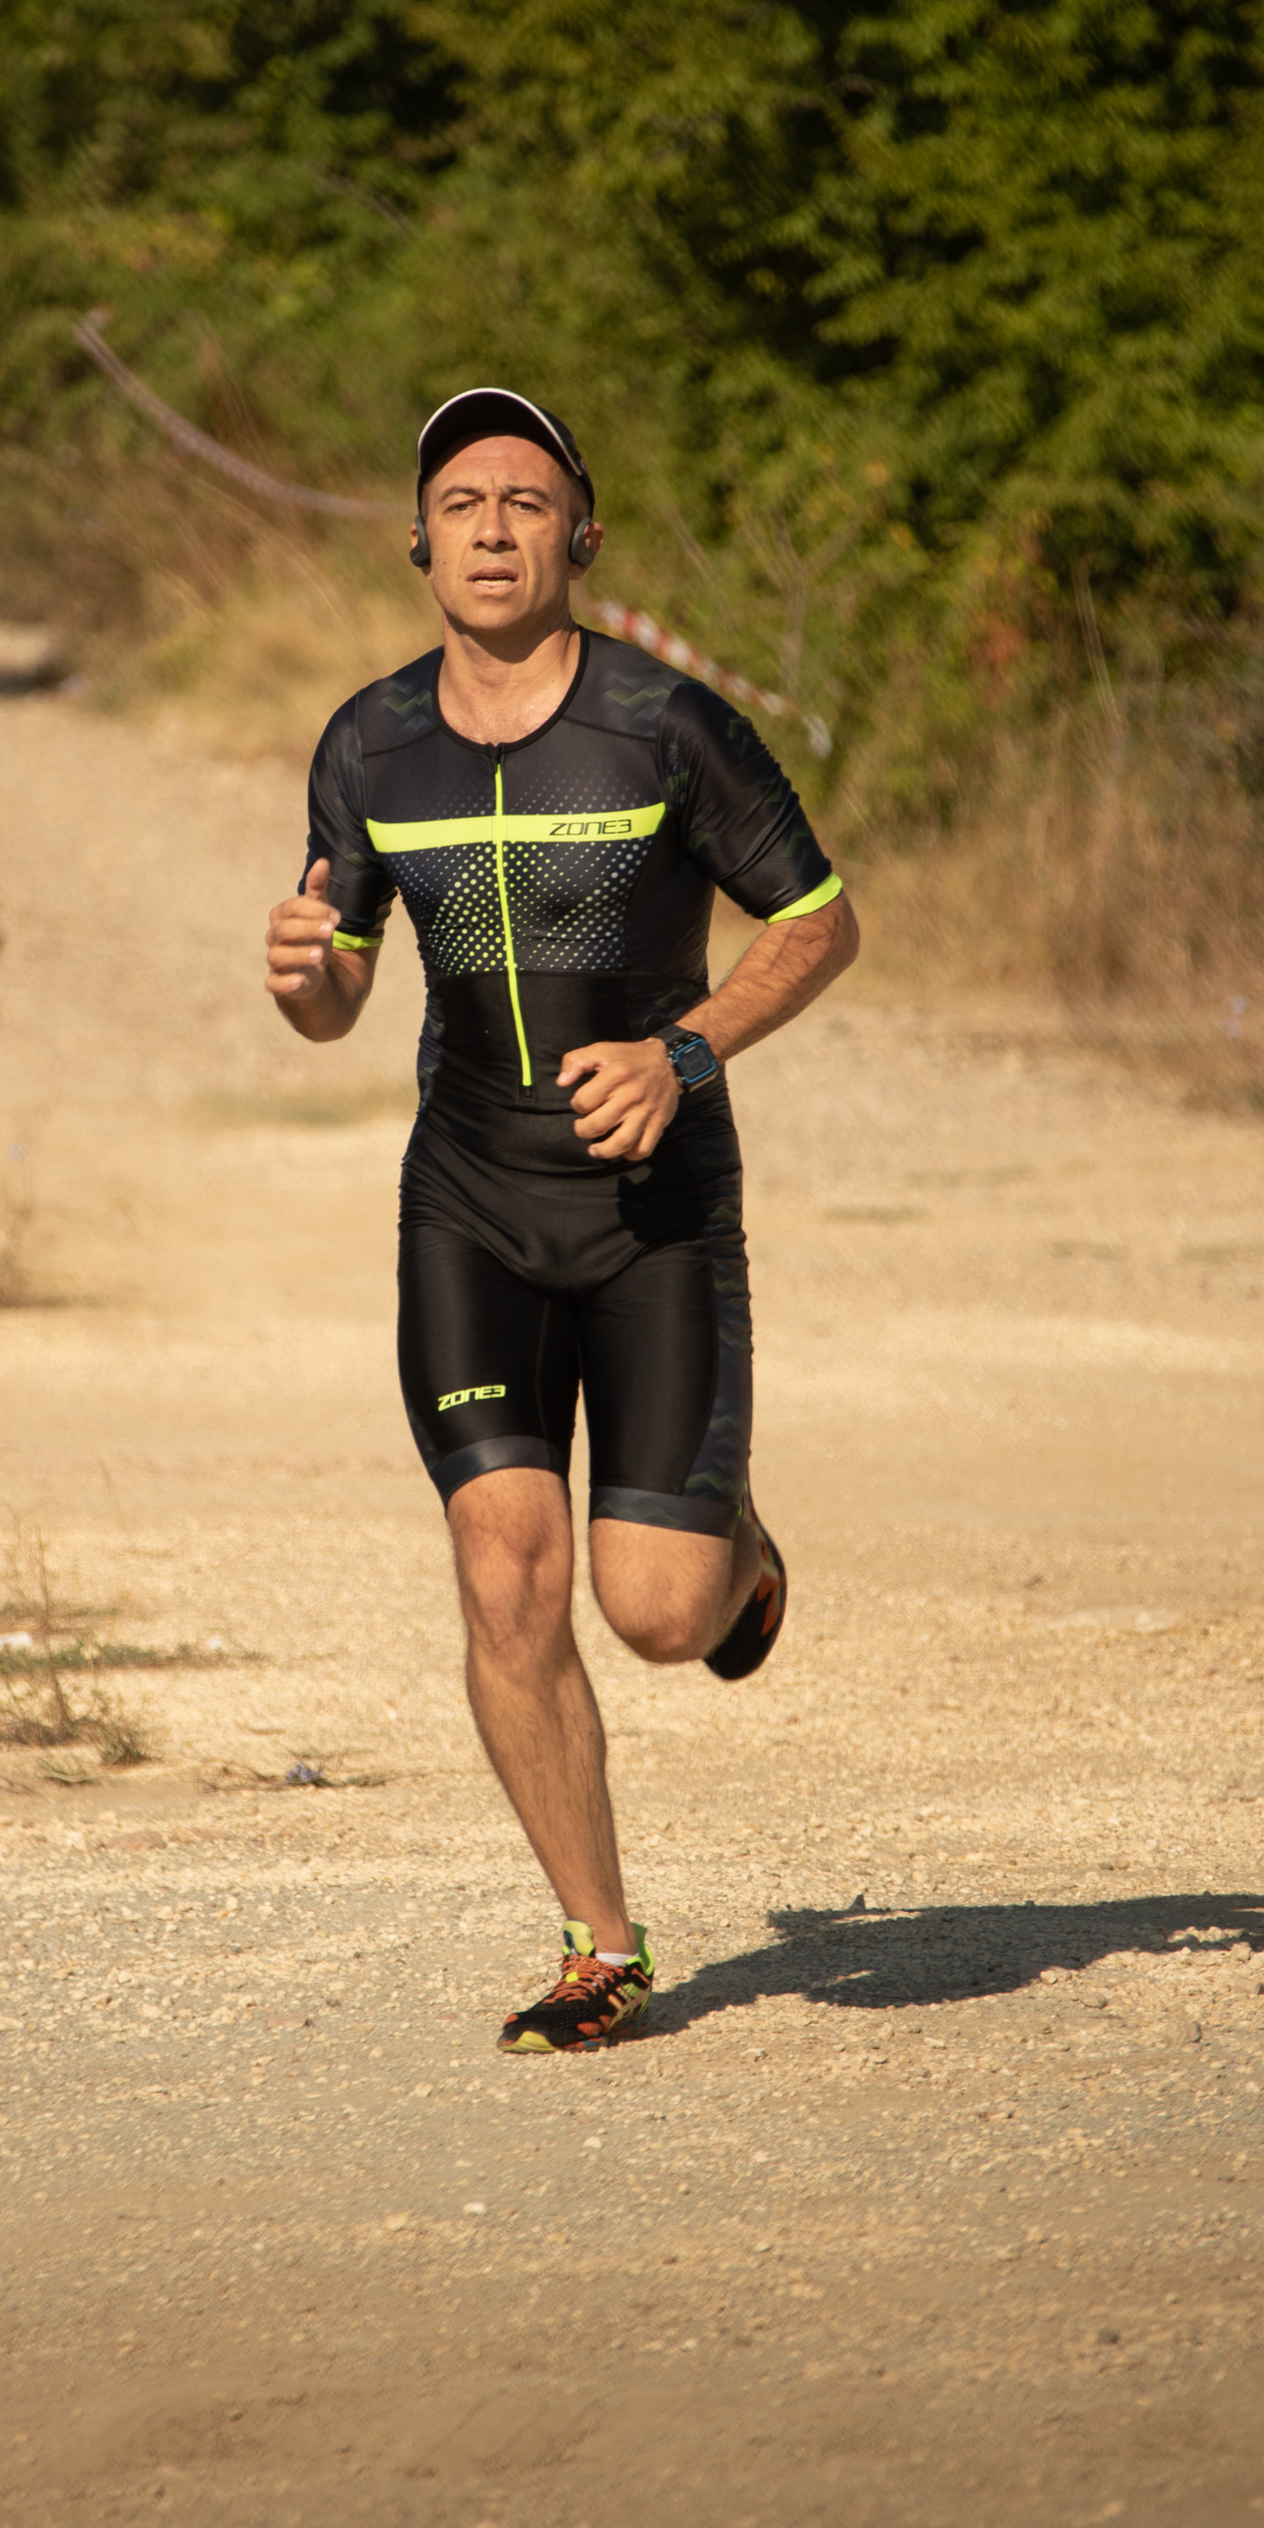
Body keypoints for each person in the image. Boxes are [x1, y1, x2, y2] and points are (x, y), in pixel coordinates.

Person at [263, 389, 858, 2051]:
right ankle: (603, 1942)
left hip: (652, 1193)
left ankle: (735, 1563)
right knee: (506, 1575)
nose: (495, 528)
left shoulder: (668, 725)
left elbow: (822, 919)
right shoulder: (369, 743)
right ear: (420, 541)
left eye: (528, 501)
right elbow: (342, 991)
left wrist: (689, 1051)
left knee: (655, 1612)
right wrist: (313, 982)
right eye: (462, 501)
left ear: (579, 538)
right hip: (470, 1202)